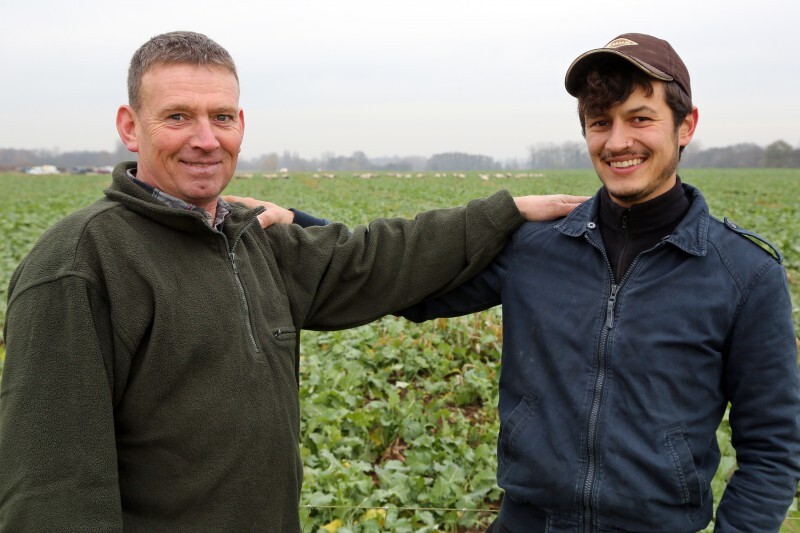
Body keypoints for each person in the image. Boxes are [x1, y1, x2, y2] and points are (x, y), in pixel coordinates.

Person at [0, 31, 586, 531]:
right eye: (178, 116)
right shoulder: (80, 264)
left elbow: (373, 260)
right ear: (131, 127)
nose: (206, 138)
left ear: (241, 124)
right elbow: (52, 487)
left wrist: (504, 212)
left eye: (221, 117)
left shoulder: (251, 236)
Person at [400, 33, 800, 532]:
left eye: (640, 119)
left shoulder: (744, 273)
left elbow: (772, 450)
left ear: (686, 125)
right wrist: (297, 235)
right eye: (600, 123)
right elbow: (405, 283)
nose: (617, 142)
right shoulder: (532, 247)